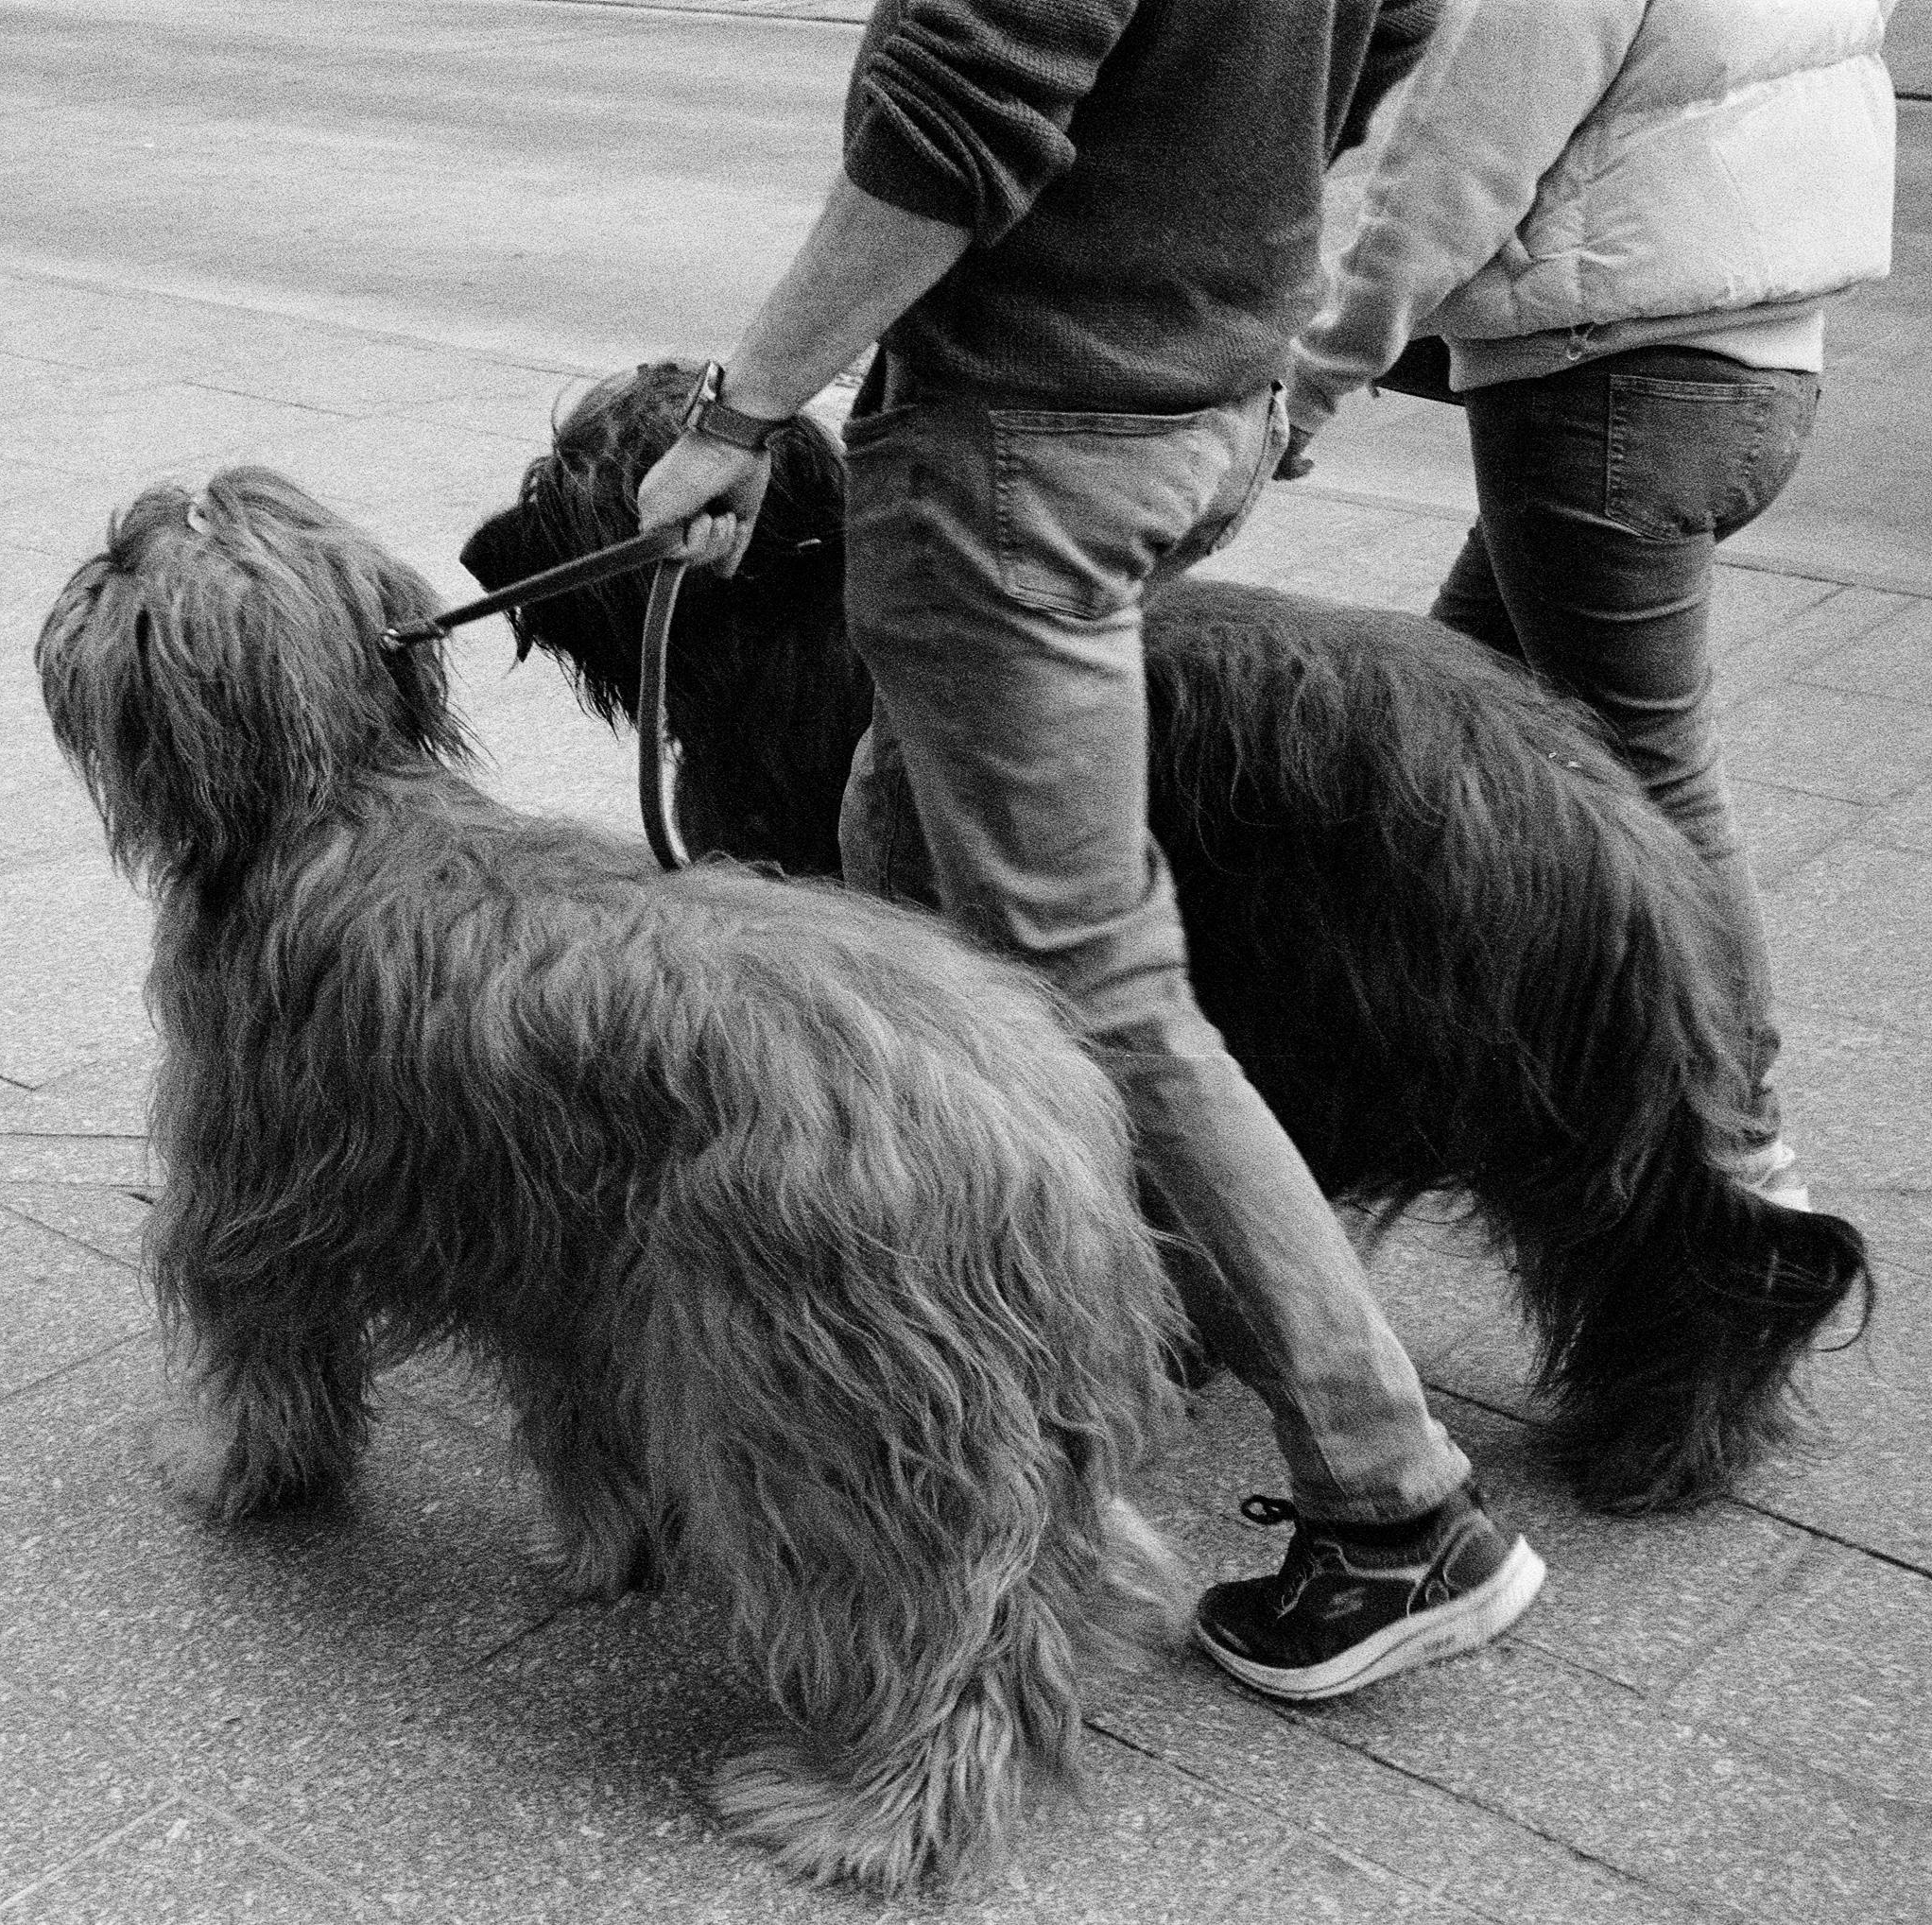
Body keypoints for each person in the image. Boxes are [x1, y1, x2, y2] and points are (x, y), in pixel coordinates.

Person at [632, 0, 1547, 1703]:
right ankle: (946, 1307)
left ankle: (1393, 1505)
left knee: (1100, 990)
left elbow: (948, 132)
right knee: (898, 863)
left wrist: (741, 410)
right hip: (1187, 401)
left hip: (1027, 440)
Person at [1282, 0, 1899, 1213]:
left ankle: (1739, 1157)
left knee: (1651, 782)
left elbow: (1458, 166)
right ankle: (1376, 1093)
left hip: (1603, 396)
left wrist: (1315, 372)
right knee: (1439, 756)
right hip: (1757, 372)